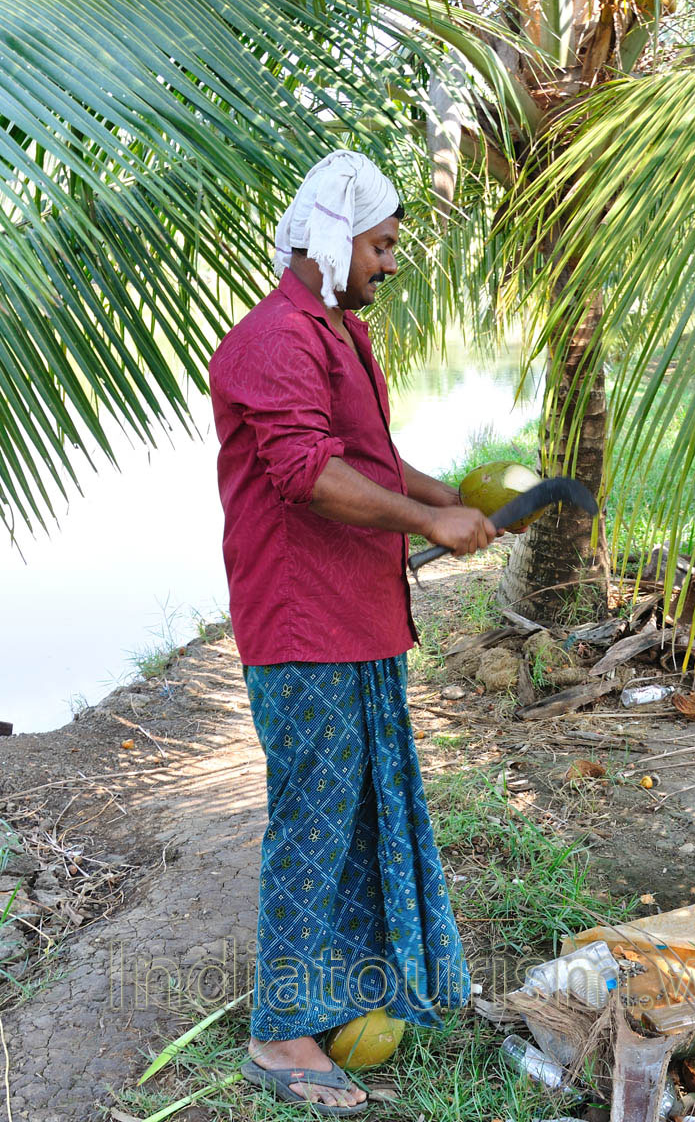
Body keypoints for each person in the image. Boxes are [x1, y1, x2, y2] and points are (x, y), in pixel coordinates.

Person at [208, 149, 498, 1115]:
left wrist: (448, 497)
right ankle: (278, 1030)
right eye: (380, 245)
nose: (389, 262)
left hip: (356, 617)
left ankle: (350, 993)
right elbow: (307, 475)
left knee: (366, 809)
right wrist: (429, 524)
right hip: (302, 624)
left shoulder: (336, 332)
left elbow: (368, 457)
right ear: (332, 238)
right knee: (313, 821)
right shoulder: (272, 341)